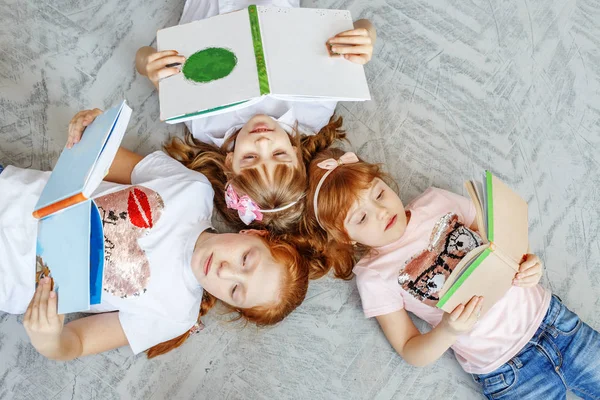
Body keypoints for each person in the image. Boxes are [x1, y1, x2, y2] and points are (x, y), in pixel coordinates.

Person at [0, 108, 309, 360]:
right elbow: (103, 159)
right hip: (9, 192)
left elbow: (76, 343)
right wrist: (89, 131)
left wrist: (49, 341)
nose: (225, 271)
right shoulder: (193, 189)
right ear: (253, 233)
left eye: (235, 291)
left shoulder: (175, 317)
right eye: (245, 258)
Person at [304, 147, 600, 399]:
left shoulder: (436, 202)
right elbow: (410, 350)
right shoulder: (373, 276)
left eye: (379, 193)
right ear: (346, 238)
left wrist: (528, 263)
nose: (381, 211)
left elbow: (500, 237)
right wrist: (448, 331)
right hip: (506, 369)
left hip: (554, 322)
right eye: (362, 217)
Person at [134, 0, 376, 232]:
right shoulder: (314, 112)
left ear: (229, 162)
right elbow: (362, 25)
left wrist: (149, 64)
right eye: (279, 154)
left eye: (250, 157)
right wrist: (363, 38)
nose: (263, 143)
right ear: (297, 154)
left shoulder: (205, 124)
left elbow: (144, 56)